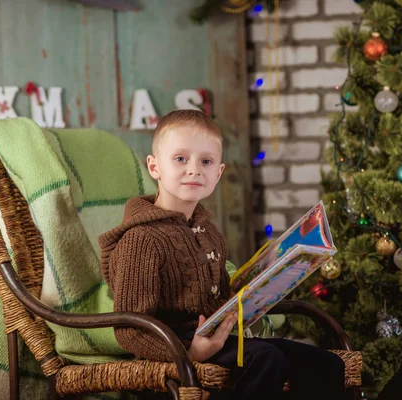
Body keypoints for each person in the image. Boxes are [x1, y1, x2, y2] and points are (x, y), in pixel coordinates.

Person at [98, 109, 345, 399]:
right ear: (154, 167)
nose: (194, 169)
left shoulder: (209, 233)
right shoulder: (142, 239)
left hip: (219, 338)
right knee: (266, 358)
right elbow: (130, 328)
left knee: (327, 363)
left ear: (219, 172)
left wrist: (258, 290)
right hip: (175, 350)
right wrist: (189, 351)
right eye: (180, 159)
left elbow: (218, 300)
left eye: (206, 161)